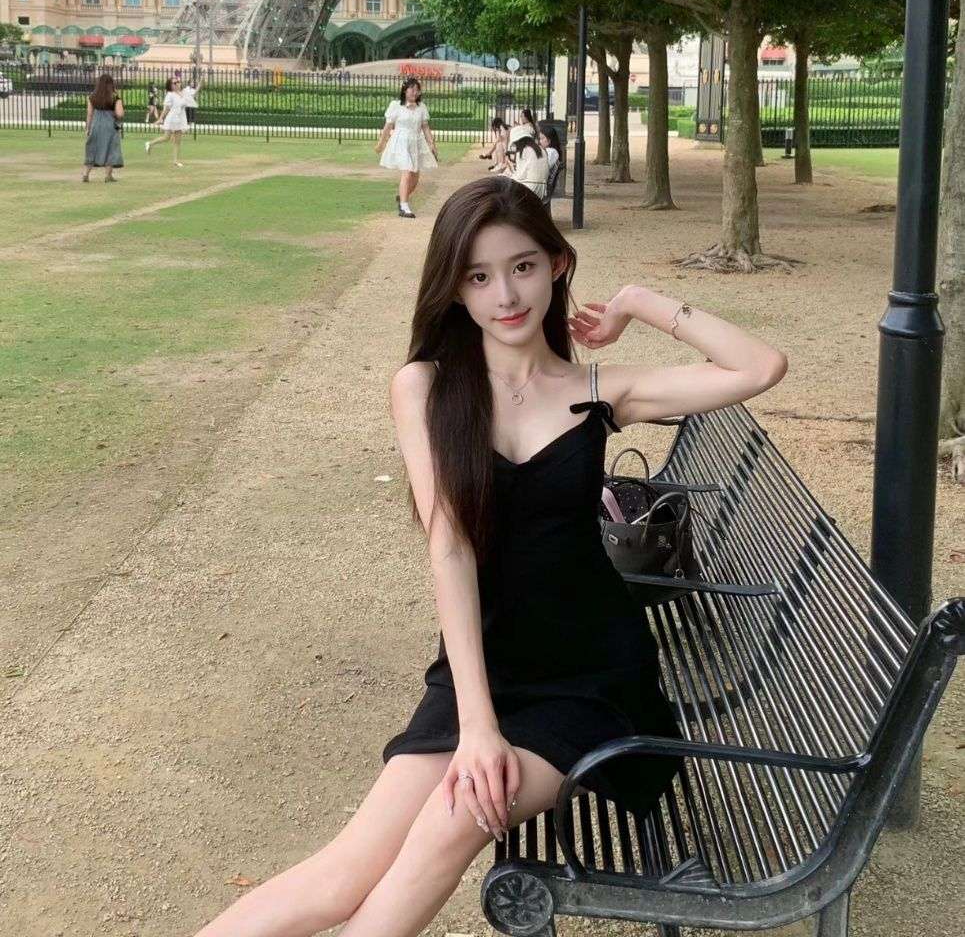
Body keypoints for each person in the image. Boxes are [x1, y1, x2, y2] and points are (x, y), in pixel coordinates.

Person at [189, 176, 787, 937]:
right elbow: (449, 546)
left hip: (590, 679)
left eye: (523, 267)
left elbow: (760, 366)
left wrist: (639, 302)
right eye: (478, 276)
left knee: (450, 821)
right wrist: (476, 724)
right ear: (453, 288)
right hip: (482, 670)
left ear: (557, 265)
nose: (505, 295)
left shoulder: (599, 389)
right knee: (343, 872)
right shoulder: (426, 388)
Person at [375, 76, 439, 218]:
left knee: (415, 177)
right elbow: (388, 126)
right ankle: (404, 207)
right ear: (405, 90)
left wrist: (432, 144)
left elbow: (425, 127)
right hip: (401, 141)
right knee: (407, 171)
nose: (414, 92)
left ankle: (402, 197)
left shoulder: (421, 107)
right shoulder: (396, 106)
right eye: (412, 89)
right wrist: (381, 143)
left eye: (417, 90)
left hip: (416, 141)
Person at [82, 73, 124, 183]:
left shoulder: (92, 97)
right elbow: (120, 114)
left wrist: (88, 128)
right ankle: (108, 176)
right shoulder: (115, 97)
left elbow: (89, 114)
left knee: (92, 149)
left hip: (96, 125)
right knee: (111, 149)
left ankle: (86, 174)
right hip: (110, 126)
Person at [145, 76, 189, 166]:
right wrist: (160, 119)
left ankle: (175, 161)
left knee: (177, 141)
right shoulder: (170, 95)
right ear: (170, 85)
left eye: (178, 82)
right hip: (172, 119)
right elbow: (166, 109)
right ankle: (150, 143)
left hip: (180, 119)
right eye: (175, 83)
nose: (177, 84)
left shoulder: (181, 93)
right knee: (166, 137)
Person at [502, 123, 549, 200]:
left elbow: (520, 176)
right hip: (541, 190)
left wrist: (508, 176)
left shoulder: (524, 151)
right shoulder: (540, 149)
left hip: (530, 189)